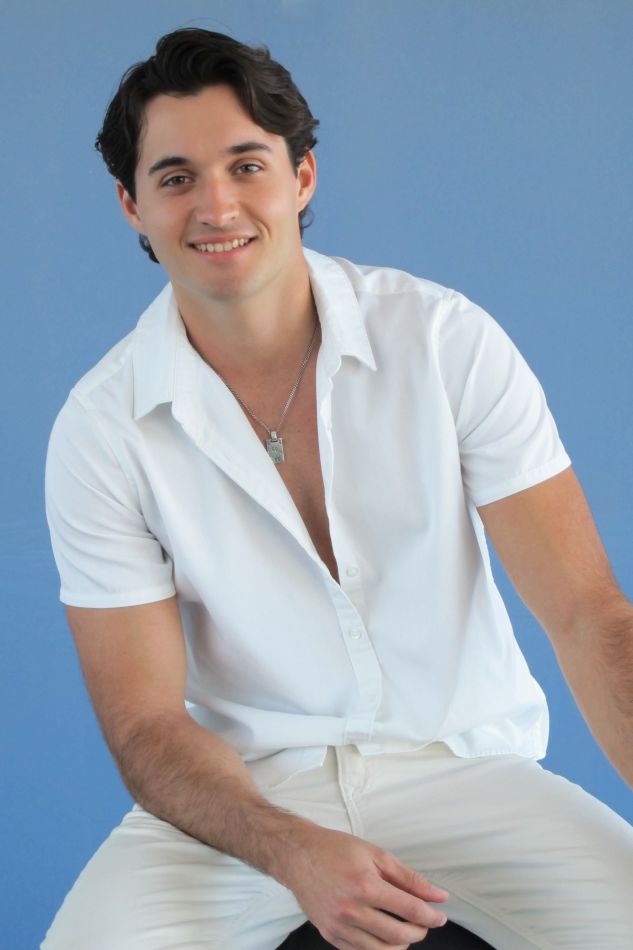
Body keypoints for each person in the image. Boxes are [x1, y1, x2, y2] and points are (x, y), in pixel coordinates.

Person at [43, 27, 633, 950]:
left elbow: (587, 616)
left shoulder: (441, 341)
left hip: (467, 774)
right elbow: (145, 722)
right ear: (132, 205)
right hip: (245, 798)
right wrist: (288, 848)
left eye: (246, 165)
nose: (216, 205)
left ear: (301, 177)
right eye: (176, 177)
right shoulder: (100, 427)